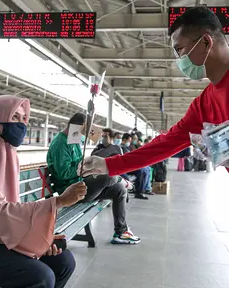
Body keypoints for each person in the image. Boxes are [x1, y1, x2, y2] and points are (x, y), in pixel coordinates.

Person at [0, 95, 87, 288]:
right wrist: (59, 201)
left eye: (23, 119)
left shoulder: (7, 154)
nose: (20, 125)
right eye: (14, 117)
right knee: (40, 276)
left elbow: (10, 212)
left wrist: (40, 237)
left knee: (64, 262)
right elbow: (1, 211)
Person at [79, 7, 229, 178]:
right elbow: (164, 145)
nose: (178, 60)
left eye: (179, 50)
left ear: (206, 43)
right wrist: (107, 165)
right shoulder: (202, 106)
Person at [47, 113, 140, 244]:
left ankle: (121, 232)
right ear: (79, 127)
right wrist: (85, 168)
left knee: (119, 190)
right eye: (86, 130)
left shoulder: (73, 139)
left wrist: (89, 166)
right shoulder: (60, 143)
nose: (86, 134)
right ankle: (123, 181)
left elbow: (79, 163)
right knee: (108, 175)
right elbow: (63, 173)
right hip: (71, 191)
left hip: (82, 184)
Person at [93, 130, 151, 199]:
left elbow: (122, 159)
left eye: (106, 136)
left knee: (142, 170)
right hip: (109, 168)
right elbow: (94, 156)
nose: (104, 138)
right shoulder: (99, 147)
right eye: (103, 136)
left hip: (121, 167)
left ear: (111, 138)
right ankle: (124, 193)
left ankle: (139, 191)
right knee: (125, 178)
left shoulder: (117, 147)